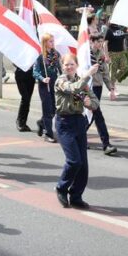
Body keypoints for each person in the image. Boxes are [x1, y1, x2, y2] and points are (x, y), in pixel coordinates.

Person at [54, 54, 100, 209]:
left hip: (79, 122)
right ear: (62, 66)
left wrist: (89, 103)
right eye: (66, 65)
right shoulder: (61, 80)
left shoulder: (82, 82)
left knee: (83, 165)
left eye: (72, 64)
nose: (69, 67)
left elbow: (95, 101)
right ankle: (61, 187)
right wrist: (88, 75)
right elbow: (72, 89)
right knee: (74, 161)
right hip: (64, 122)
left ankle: (76, 196)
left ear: (76, 65)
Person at [88, 35, 118, 155]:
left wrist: (111, 89)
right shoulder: (85, 54)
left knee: (91, 115)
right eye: (98, 42)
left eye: (101, 42)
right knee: (97, 114)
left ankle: (77, 137)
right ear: (92, 41)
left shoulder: (100, 55)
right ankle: (106, 144)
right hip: (88, 87)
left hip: (98, 87)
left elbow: (105, 73)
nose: (100, 44)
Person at [33, 33, 62, 143]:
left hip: (54, 84)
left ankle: (41, 123)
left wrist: (63, 78)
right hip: (44, 85)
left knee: (54, 109)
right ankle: (48, 133)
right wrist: (42, 78)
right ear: (45, 43)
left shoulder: (56, 54)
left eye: (53, 41)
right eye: (50, 41)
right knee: (47, 109)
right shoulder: (41, 56)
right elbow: (35, 72)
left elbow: (59, 68)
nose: (53, 43)